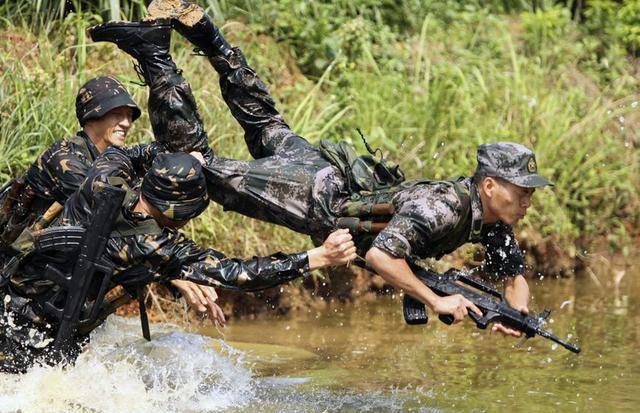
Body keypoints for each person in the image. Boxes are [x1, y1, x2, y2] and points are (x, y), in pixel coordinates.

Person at [91, 2, 554, 337]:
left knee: (264, 120)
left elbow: (514, 276)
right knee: (194, 165)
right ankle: (154, 52)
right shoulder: (443, 208)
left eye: (531, 193)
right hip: (312, 196)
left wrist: (513, 316)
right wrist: (435, 300)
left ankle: (207, 33)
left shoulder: (492, 219)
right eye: (522, 191)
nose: (528, 201)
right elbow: (380, 257)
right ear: (490, 185)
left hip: (324, 174)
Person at [0, 144, 356, 373]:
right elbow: (240, 273)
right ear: (182, 212)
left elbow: (128, 153)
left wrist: (175, 158)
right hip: (44, 345)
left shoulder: (103, 177)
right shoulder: (159, 249)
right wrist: (317, 256)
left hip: (10, 306)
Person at [0, 72, 218, 320]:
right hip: (19, 284)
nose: (126, 123)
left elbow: (146, 208)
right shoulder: (64, 158)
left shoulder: (113, 162)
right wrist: (176, 272)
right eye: (117, 114)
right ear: (93, 115)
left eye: (129, 116)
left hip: (64, 289)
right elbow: (118, 218)